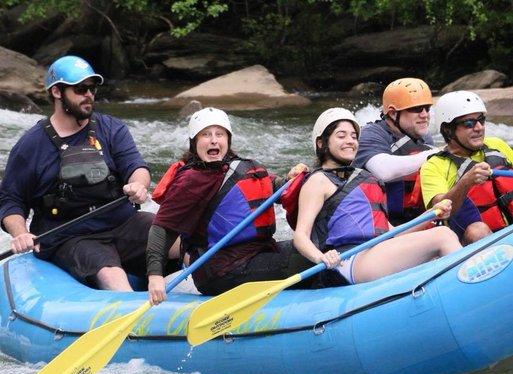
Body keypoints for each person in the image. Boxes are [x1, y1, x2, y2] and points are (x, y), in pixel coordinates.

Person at [0, 55, 153, 291]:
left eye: (92, 89)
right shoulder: (31, 146)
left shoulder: (112, 128)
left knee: (179, 236)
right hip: (70, 235)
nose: (89, 95)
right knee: (113, 277)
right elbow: (11, 200)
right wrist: (20, 233)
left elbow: (136, 167)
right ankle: (133, 316)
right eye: (81, 89)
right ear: (57, 92)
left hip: (122, 221)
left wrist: (139, 184)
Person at [146, 107, 311, 304]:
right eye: (206, 135)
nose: (214, 140)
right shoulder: (191, 180)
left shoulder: (236, 168)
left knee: (315, 248)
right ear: (195, 143)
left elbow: (267, 187)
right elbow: (162, 228)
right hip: (221, 269)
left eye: (219, 134)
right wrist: (154, 275)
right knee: (307, 261)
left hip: (257, 253)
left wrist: (289, 180)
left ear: (227, 140)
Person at [293, 108, 462, 285]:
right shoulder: (318, 181)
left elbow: (392, 233)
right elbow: (301, 236)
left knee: (440, 234)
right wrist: (321, 258)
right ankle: (469, 285)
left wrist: (431, 215)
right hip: (347, 260)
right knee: (442, 235)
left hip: (376, 252)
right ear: (321, 143)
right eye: (341, 136)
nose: (350, 141)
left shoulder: (365, 179)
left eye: (353, 136)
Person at [420, 90, 513, 244]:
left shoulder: (497, 144)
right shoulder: (434, 166)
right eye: (468, 123)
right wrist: (466, 182)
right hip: (479, 243)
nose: (479, 128)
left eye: (481, 120)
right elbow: (439, 212)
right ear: (448, 130)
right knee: (478, 231)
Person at [354, 78, 439, 225]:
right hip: (381, 225)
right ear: (393, 114)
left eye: (427, 108)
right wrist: (436, 154)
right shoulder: (370, 134)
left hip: (413, 220)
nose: (425, 114)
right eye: (417, 109)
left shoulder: (425, 139)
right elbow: (383, 171)